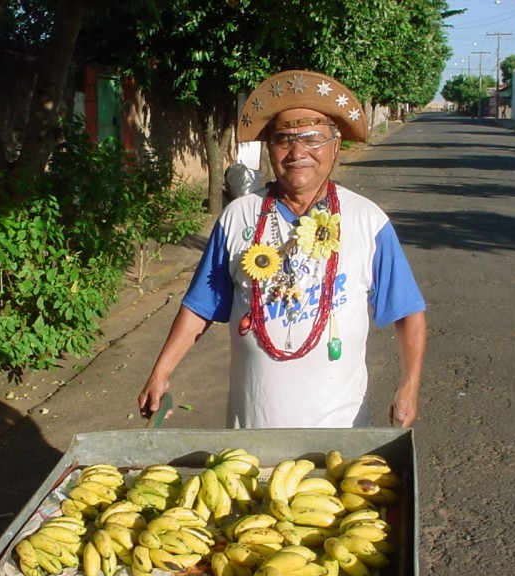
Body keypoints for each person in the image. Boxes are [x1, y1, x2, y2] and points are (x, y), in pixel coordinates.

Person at [137, 70, 427, 428]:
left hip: (339, 429)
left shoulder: (367, 220)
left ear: (336, 146)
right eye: (283, 139)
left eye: (312, 138)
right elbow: (200, 305)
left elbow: (407, 311)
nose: (297, 152)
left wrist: (409, 385)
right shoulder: (238, 216)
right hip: (252, 426)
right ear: (268, 149)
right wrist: (160, 372)